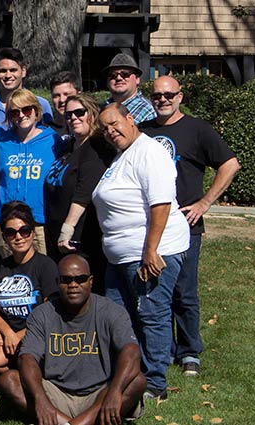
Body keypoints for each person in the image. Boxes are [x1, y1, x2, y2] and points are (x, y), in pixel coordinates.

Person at [140, 75, 240, 377]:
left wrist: (204, 203)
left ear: (180, 97)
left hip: (185, 226)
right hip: (151, 226)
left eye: (169, 95)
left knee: (184, 291)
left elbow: (230, 164)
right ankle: (162, 348)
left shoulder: (198, 130)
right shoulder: (143, 133)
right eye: (157, 95)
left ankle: (189, 352)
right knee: (156, 291)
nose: (163, 100)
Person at [93, 103, 190, 401]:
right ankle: (130, 374)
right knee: (119, 317)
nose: (111, 131)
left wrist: (151, 250)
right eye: (105, 129)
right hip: (121, 256)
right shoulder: (123, 156)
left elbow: (159, 203)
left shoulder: (149, 151)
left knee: (151, 314)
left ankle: (155, 383)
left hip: (150, 252)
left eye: (115, 124)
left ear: (130, 118)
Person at [0, 255, 146, 424]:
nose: (73, 285)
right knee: (9, 380)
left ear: (91, 281)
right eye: (66, 280)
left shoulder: (111, 311)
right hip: (56, 394)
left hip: (100, 393)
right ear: (57, 282)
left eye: (80, 279)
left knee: (137, 380)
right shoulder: (42, 314)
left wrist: (115, 391)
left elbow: (131, 351)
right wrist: (41, 398)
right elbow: (27, 358)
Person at [43, 94, 114, 285]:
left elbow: (83, 192)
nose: (73, 118)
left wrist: (67, 229)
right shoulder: (69, 147)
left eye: (79, 112)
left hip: (81, 237)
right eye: (68, 115)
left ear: (92, 113)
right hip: (57, 236)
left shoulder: (96, 147)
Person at [0, 201, 59, 373]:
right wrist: (7, 332)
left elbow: (50, 311)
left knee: (32, 359)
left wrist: (20, 335)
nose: (18, 237)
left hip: (37, 333)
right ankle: (16, 377)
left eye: (24, 231)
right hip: (7, 335)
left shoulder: (46, 265)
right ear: (4, 237)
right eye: (11, 233)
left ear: (33, 233)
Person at [0, 88, 61, 256]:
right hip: (6, 221)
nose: (21, 115)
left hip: (38, 221)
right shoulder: (2, 141)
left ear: (36, 110)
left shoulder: (53, 140)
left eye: (26, 109)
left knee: (41, 274)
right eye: (15, 112)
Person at [0, 48, 53, 126]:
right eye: (3, 71)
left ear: (23, 71)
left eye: (13, 70)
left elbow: (48, 135)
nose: (8, 75)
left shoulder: (40, 104)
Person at [103, 53, 156, 124]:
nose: (118, 78)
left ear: (137, 79)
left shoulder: (149, 112)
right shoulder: (101, 108)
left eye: (125, 74)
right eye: (113, 75)